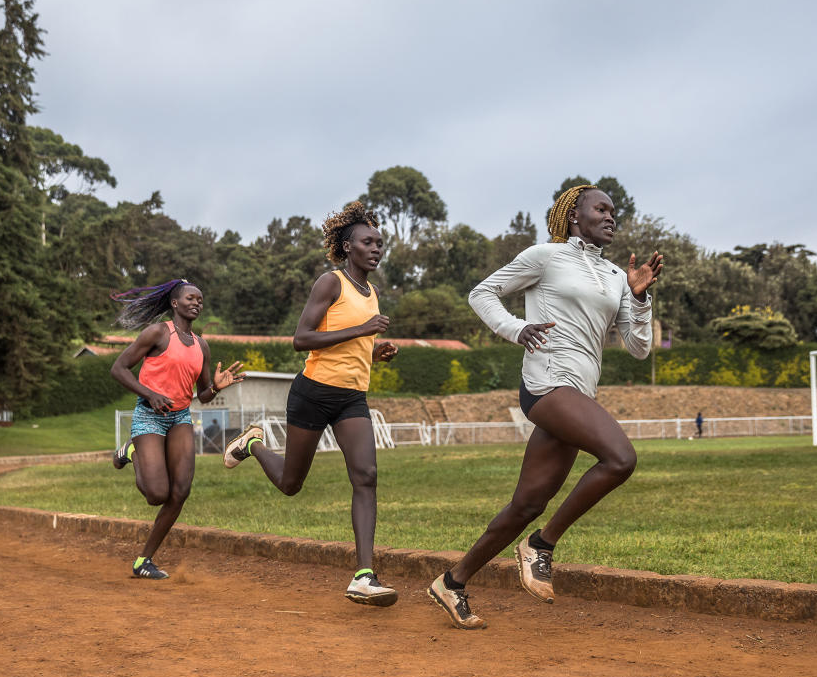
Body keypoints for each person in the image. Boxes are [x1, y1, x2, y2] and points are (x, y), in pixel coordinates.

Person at [427, 184, 663, 629]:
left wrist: (638, 297)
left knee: (526, 504)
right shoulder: (545, 256)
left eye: (615, 211)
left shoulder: (616, 276)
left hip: (579, 393)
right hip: (547, 385)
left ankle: (452, 582)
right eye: (602, 209)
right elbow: (482, 293)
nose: (612, 216)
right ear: (574, 215)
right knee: (620, 458)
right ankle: (541, 545)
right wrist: (516, 329)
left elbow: (638, 348)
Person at [223, 201, 401, 607]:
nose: (376, 248)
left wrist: (375, 351)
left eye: (379, 242)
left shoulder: (370, 292)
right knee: (290, 484)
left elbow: (350, 346)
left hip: (352, 398)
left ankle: (364, 575)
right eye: (367, 242)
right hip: (313, 393)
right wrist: (363, 329)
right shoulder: (330, 282)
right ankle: (252, 443)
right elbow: (302, 339)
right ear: (347, 246)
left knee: (367, 475)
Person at [109, 279, 244, 580]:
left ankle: (144, 560)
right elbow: (118, 368)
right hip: (149, 416)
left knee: (180, 491)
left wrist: (216, 388)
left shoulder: (201, 346)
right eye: (191, 298)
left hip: (181, 417)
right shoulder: (157, 333)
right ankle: (131, 450)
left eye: (200, 300)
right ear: (175, 303)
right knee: (157, 494)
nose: (197, 303)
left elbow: (203, 395)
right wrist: (149, 393)